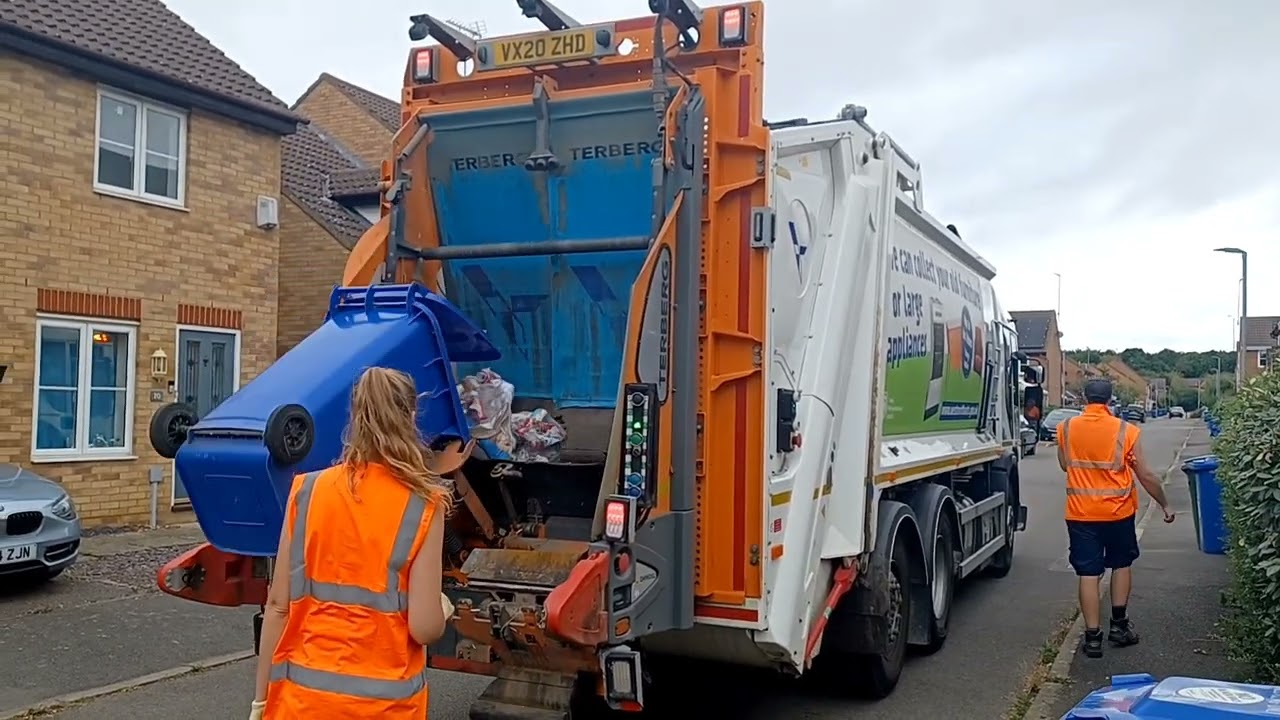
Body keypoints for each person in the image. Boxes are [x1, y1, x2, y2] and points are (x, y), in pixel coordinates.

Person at [249, 367, 472, 719]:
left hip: (302, 703)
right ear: (411, 417)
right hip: (385, 708)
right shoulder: (423, 504)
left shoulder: (306, 492)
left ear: (355, 416)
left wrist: (260, 702)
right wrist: (439, 606)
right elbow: (425, 628)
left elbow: (278, 607)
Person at [1057, 377, 1175, 659]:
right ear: (1110, 400)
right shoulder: (1126, 431)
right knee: (1121, 564)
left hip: (1081, 512)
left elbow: (1065, 465)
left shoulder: (1066, 428)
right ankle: (1119, 627)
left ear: (1085, 399)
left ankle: (1093, 637)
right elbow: (1145, 475)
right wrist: (1164, 504)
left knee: (1088, 572)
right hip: (1118, 512)